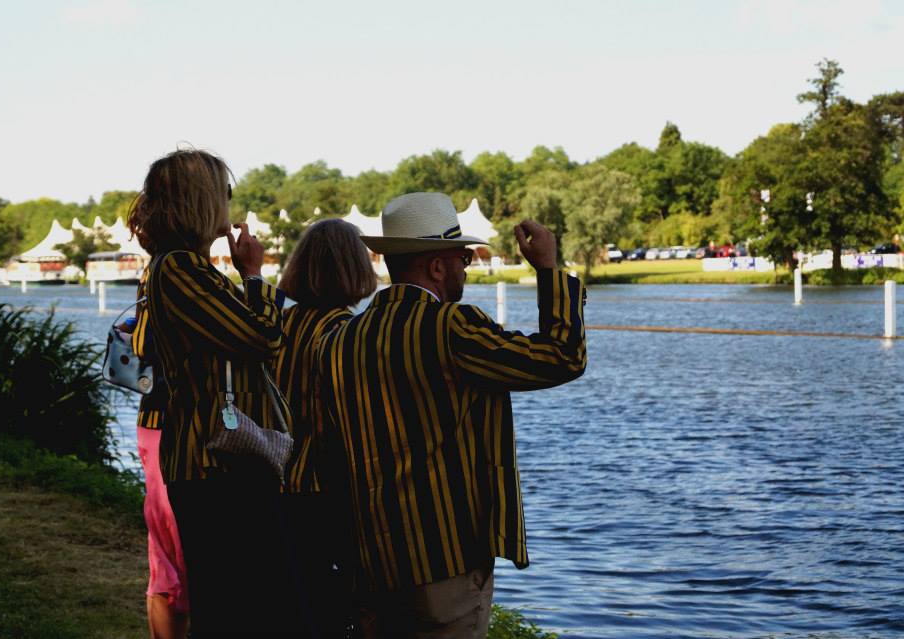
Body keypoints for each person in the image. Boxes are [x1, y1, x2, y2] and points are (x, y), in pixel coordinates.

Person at [314, 192, 587, 638]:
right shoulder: (451, 328)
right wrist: (548, 271)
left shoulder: (339, 340)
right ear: (437, 266)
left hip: (368, 561)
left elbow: (324, 451)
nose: (468, 267)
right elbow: (562, 356)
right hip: (444, 560)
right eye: (462, 257)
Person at [128, 149, 309, 635]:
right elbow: (263, 338)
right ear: (200, 201)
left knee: (247, 601)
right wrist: (254, 275)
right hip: (211, 462)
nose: (230, 205)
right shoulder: (180, 269)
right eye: (224, 194)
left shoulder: (190, 268)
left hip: (219, 459)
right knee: (237, 604)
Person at [273, 219, 377, 636]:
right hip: (326, 489)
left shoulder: (276, 324)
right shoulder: (345, 332)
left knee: (292, 608)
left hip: (273, 480)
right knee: (333, 612)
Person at [131, 268, 189, 639]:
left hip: (155, 420)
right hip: (175, 424)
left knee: (166, 557)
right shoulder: (180, 272)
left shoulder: (156, 272)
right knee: (177, 552)